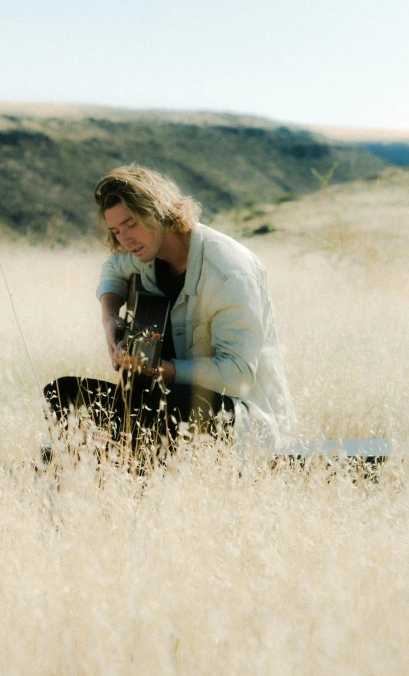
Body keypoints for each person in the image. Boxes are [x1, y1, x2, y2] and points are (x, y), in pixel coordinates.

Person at [43, 165, 295, 463]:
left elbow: (237, 377)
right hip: (160, 410)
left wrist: (162, 370)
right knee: (63, 392)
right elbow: (113, 268)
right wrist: (110, 317)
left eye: (131, 224)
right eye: (115, 231)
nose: (124, 240)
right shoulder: (146, 254)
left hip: (246, 422)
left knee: (176, 398)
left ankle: (116, 463)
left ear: (157, 211)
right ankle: (105, 469)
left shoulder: (230, 272)